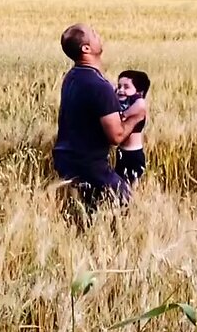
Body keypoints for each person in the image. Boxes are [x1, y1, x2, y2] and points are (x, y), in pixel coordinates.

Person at [52, 24, 144, 219]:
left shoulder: (72, 77)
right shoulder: (99, 86)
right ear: (86, 49)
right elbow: (116, 136)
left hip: (66, 159)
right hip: (89, 165)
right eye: (93, 34)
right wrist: (137, 114)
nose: (98, 34)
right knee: (125, 207)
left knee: (81, 216)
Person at [114, 70, 150, 185]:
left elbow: (141, 104)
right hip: (121, 152)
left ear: (139, 92)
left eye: (126, 87)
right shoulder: (122, 101)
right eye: (119, 86)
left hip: (133, 154)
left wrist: (123, 115)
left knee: (131, 187)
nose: (121, 90)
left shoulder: (138, 103)